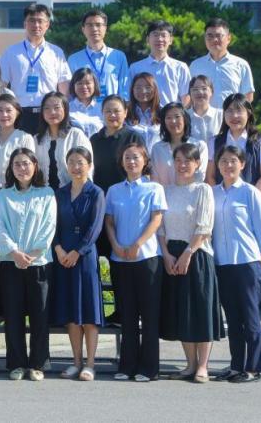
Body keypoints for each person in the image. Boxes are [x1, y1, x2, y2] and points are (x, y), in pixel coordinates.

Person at [158, 143, 222, 383]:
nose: (182, 165)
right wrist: (166, 254)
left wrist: (188, 253)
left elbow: (204, 226)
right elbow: (160, 227)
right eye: (178, 160)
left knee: (200, 310)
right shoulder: (166, 191)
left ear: (197, 164)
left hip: (197, 253)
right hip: (171, 254)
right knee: (182, 310)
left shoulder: (203, 189)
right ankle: (190, 364)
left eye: (188, 160)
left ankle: (203, 365)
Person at [105, 141, 167, 382]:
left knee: (149, 316)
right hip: (120, 258)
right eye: (127, 157)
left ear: (145, 161)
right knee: (127, 315)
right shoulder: (114, 190)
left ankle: (149, 368)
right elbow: (109, 222)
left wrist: (138, 244)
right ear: (121, 162)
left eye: (136, 157)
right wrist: (115, 245)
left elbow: (156, 219)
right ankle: (127, 365)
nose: (131, 162)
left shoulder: (154, 188)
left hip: (147, 257)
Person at [0, 148, 57, 382]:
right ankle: (17, 363)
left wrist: (30, 255)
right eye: (17, 164)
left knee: (40, 316)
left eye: (26, 163)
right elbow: (0, 226)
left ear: (35, 166)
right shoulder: (3, 195)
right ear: (11, 168)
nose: (22, 168)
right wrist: (15, 253)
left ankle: (38, 364)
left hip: (39, 262)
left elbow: (49, 227)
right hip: (10, 262)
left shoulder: (46, 193)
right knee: (13, 316)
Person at [211, 145, 261, 384]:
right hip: (222, 263)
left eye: (233, 160)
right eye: (223, 161)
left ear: (242, 164)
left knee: (251, 317)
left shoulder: (250, 192)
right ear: (218, 165)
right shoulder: (212, 193)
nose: (228, 165)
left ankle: (253, 368)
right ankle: (236, 365)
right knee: (233, 319)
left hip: (247, 261)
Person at [49, 147, 105, 381]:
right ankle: (76, 362)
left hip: (85, 257)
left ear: (89, 165)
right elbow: (52, 224)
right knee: (71, 312)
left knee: (88, 312)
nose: (75, 166)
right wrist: (59, 249)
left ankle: (90, 364)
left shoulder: (96, 193)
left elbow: (95, 227)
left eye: (80, 162)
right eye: (71, 162)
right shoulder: (60, 193)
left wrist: (77, 252)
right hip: (63, 257)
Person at [88, 95, 139, 326]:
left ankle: (123, 311)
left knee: (120, 261)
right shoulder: (94, 139)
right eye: (108, 110)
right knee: (96, 259)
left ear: (125, 112)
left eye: (117, 110)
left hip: (124, 204)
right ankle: (95, 309)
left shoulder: (132, 137)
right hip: (99, 204)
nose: (112, 115)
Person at [0, 3, 72, 134]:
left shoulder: (56, 52)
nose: (36, 25)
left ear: (47, 25)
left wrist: (64, 113)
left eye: (40, 21)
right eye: (31, 21)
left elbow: (64, 86)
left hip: (49, 115)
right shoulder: (11, 52)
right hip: (20, 114)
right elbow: (1, 85)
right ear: (25, 24)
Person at [206, 93, 261, 196]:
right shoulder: (214, 142)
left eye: (239, 110)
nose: (234, 115)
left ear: (249, 113)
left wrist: (250, 199)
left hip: (253, 202)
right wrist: (222, 198)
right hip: (222, 202)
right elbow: (210, 176)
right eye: (229, 111)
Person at [34, 92, 92, 192]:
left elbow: (87, 168)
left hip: (72, 194)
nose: (52, 112)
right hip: (43, 195)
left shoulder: (76, 135)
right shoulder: (37, 139)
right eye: (47, 108)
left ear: (65, 109)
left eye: (57, 108)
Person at [65, 9, 129, 99]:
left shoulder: (118, 56)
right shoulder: (73, 59)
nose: (94, 29)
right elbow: (71, 92)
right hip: (84, 107)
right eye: (90, 25)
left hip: (112, 107)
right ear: (83, 29)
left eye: (98, 25)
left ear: (105, 28)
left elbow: (124, 89)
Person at [189, 17, 255, 104]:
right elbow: (189, 96)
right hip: (204, 113)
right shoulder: (196, 65)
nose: (214, 40)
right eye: (210, 36)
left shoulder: (241, 64)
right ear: (205, 38)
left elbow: (248, 96)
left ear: (228, 38)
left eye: (218, 36)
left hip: (232, 113)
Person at [0, 94, 35, 191]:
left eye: (8, 110)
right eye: (0, 110)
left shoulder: (25, 138)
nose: (4, 114)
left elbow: (29, 169)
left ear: (17, 113)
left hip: (15, 191)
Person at [127, 20, 191, 106]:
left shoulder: (180, 67)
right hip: (144, 114)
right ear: (147, 39)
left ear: (171, 40)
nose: (159, 39)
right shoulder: (135, 68)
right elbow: (129, 97)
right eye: (155, 35)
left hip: (171, 114)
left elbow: (186, 97)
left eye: (163, 35)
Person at [150, 103, 208, 187]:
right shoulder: (157, 148)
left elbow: (200, 176)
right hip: (164, 194)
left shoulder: (199, 146)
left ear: (185, 119)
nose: (173, 121)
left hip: (191, 193)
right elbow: (154, 179)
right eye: (168, 118)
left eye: (177, 117)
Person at [127, 72, 162, 152]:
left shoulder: (163, 112)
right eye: (138, 88)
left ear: (154, 89)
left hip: (157, 158)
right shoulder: (125, 112)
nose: (143, 91)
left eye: (148, 87)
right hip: (133, 158)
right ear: (132, 90)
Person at [68, 67, 104, 137]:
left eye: (88, 83)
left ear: (95, 85)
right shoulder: (67, 108)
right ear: (73, 86)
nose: (84, 87)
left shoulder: (102, 108)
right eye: (79, 83)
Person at [188, 74, 223, 144]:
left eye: (204, 89)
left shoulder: (221, 115)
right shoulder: (185, 116)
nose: (200, 92)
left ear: (211, 92)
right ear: (190, 94)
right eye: (195, 89)